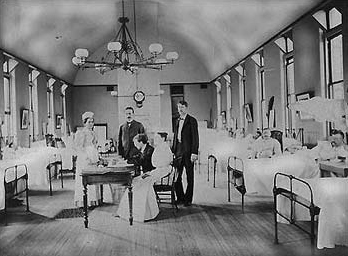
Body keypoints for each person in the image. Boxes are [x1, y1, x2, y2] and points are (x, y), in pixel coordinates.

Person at [116, 133, 172, 222]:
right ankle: (127, 211)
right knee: (135, 181)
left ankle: (141, 213)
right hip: (156, 171)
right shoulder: (156, 148)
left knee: (139, 183)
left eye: (157, 137)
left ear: (163, 138)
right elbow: (139, 158)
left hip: (160, 171)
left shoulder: (156, 149)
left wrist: (148, 173)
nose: (155, 139)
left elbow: (145, 160)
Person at [172, 100, 199, 206]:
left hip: (188, 152)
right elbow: (175, 137)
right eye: (179, 107)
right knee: (177, 176)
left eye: (182, 107)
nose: (180, 109)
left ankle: (188, 199)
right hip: (178, 151)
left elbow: (195, 138)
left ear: (186, 108)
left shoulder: (192, 120)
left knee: (189, 176)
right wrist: (173, 151)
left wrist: (194, 152)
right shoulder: (177, 120)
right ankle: (180, 197)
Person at [73, 111, 101, 207]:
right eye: (89, 122)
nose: (91, 124)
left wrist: (96, 154)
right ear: (84, 123)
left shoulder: (93, 132)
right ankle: (84, 200)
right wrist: (86, 157)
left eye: (92, 122)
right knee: (86, 178)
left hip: (93, 155)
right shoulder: (80, 133)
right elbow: (79, 147)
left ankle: (94, 199)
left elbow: (94, 144)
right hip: (84, 157)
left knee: (94, 177)